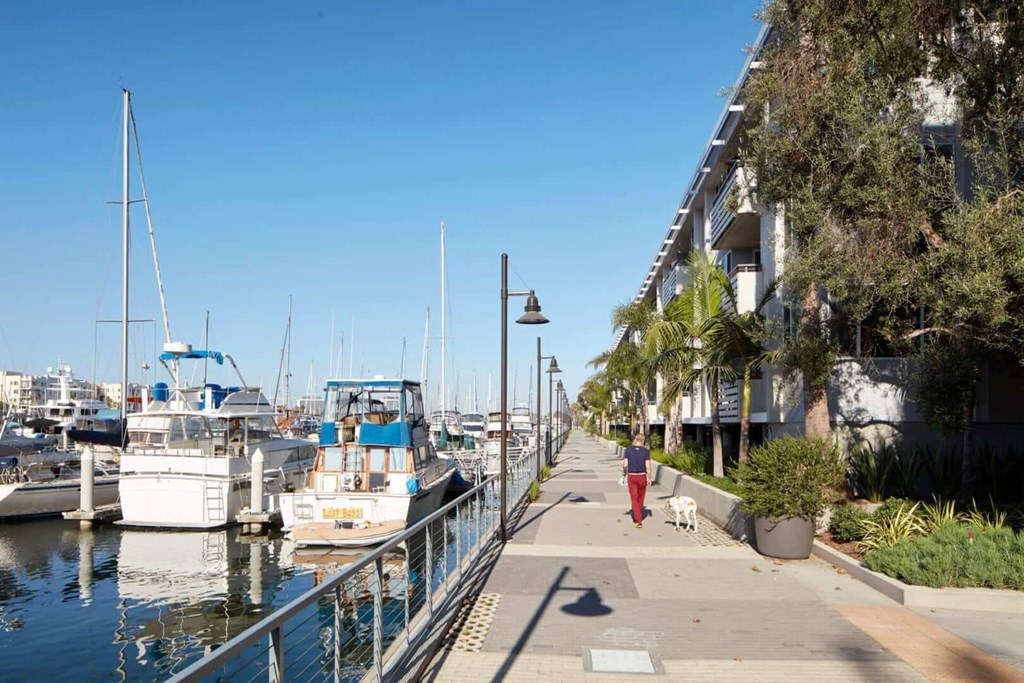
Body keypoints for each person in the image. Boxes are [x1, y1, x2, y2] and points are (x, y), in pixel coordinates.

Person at [622, 432, 652, 528]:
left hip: (632, 476)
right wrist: (649, 478)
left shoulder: (628, 450)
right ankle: (638, 514)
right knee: (641, 497)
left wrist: (624, 472)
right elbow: (648, 466)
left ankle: (638, 520)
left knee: (634, 498)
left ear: (635, 439)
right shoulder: (646, 452)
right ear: (643, 441)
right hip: (642, 476)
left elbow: (625, 464)